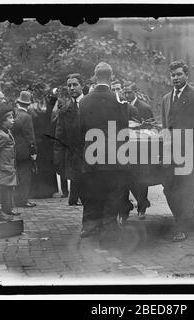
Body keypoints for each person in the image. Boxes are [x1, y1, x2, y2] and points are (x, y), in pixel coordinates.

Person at [161, 61, 194, 241]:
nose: (175, 78)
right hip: (171, 154)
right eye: (173, 75)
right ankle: (185, 221)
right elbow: (165, 127)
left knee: (183, 190)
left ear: (186, 76)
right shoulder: (166, 98)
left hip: (191, 154)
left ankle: (181, 228)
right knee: (168, 189)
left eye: (179, 74)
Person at [79, 62, 130, 239]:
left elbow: (81, 129)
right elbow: (124, 129)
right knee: (113, 192)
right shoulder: (119, 99)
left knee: (92, 191)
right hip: (114, 155)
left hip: (91, 154)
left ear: (95, 76)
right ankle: (109, 226)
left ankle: (89, 227)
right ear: (111, 77)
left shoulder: (84, 100)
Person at [121, 81, 154, 220]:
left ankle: (142, 206)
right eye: (125, 92)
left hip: (142, 150)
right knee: (125, 180)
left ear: (135, 92)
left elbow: (150, 128)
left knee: (141, 181)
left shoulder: (144, 107)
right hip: (126, 150)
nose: (127, 95)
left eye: (129, 92)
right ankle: (125, 209)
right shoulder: (121, 107)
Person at [53, 74, 85, 206]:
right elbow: (59, 136)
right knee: (77, 177)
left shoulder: (90, 104)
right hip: (74, 154)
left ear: (82, 86)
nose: (71, 88)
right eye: (69, 85)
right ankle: (75, 198)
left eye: (75, 84)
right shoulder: (65, 110)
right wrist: (58, 158)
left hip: (91, 151)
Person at [28, 92, 58, 199]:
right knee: (46, 167)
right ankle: (48, 190)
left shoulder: (31, 110)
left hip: (37, 141)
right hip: (46, 143)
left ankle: (36, 191)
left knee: (38, 167)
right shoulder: (50, 111)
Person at [11, 91, 37, 208]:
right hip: (25, 151)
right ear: (28, 104)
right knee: (25, 176)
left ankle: (16, 199)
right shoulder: (27, 117)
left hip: (14, 150)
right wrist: (33, 151)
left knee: (17, 176)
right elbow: (29, 136)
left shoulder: (15, 115)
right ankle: (24, 200)